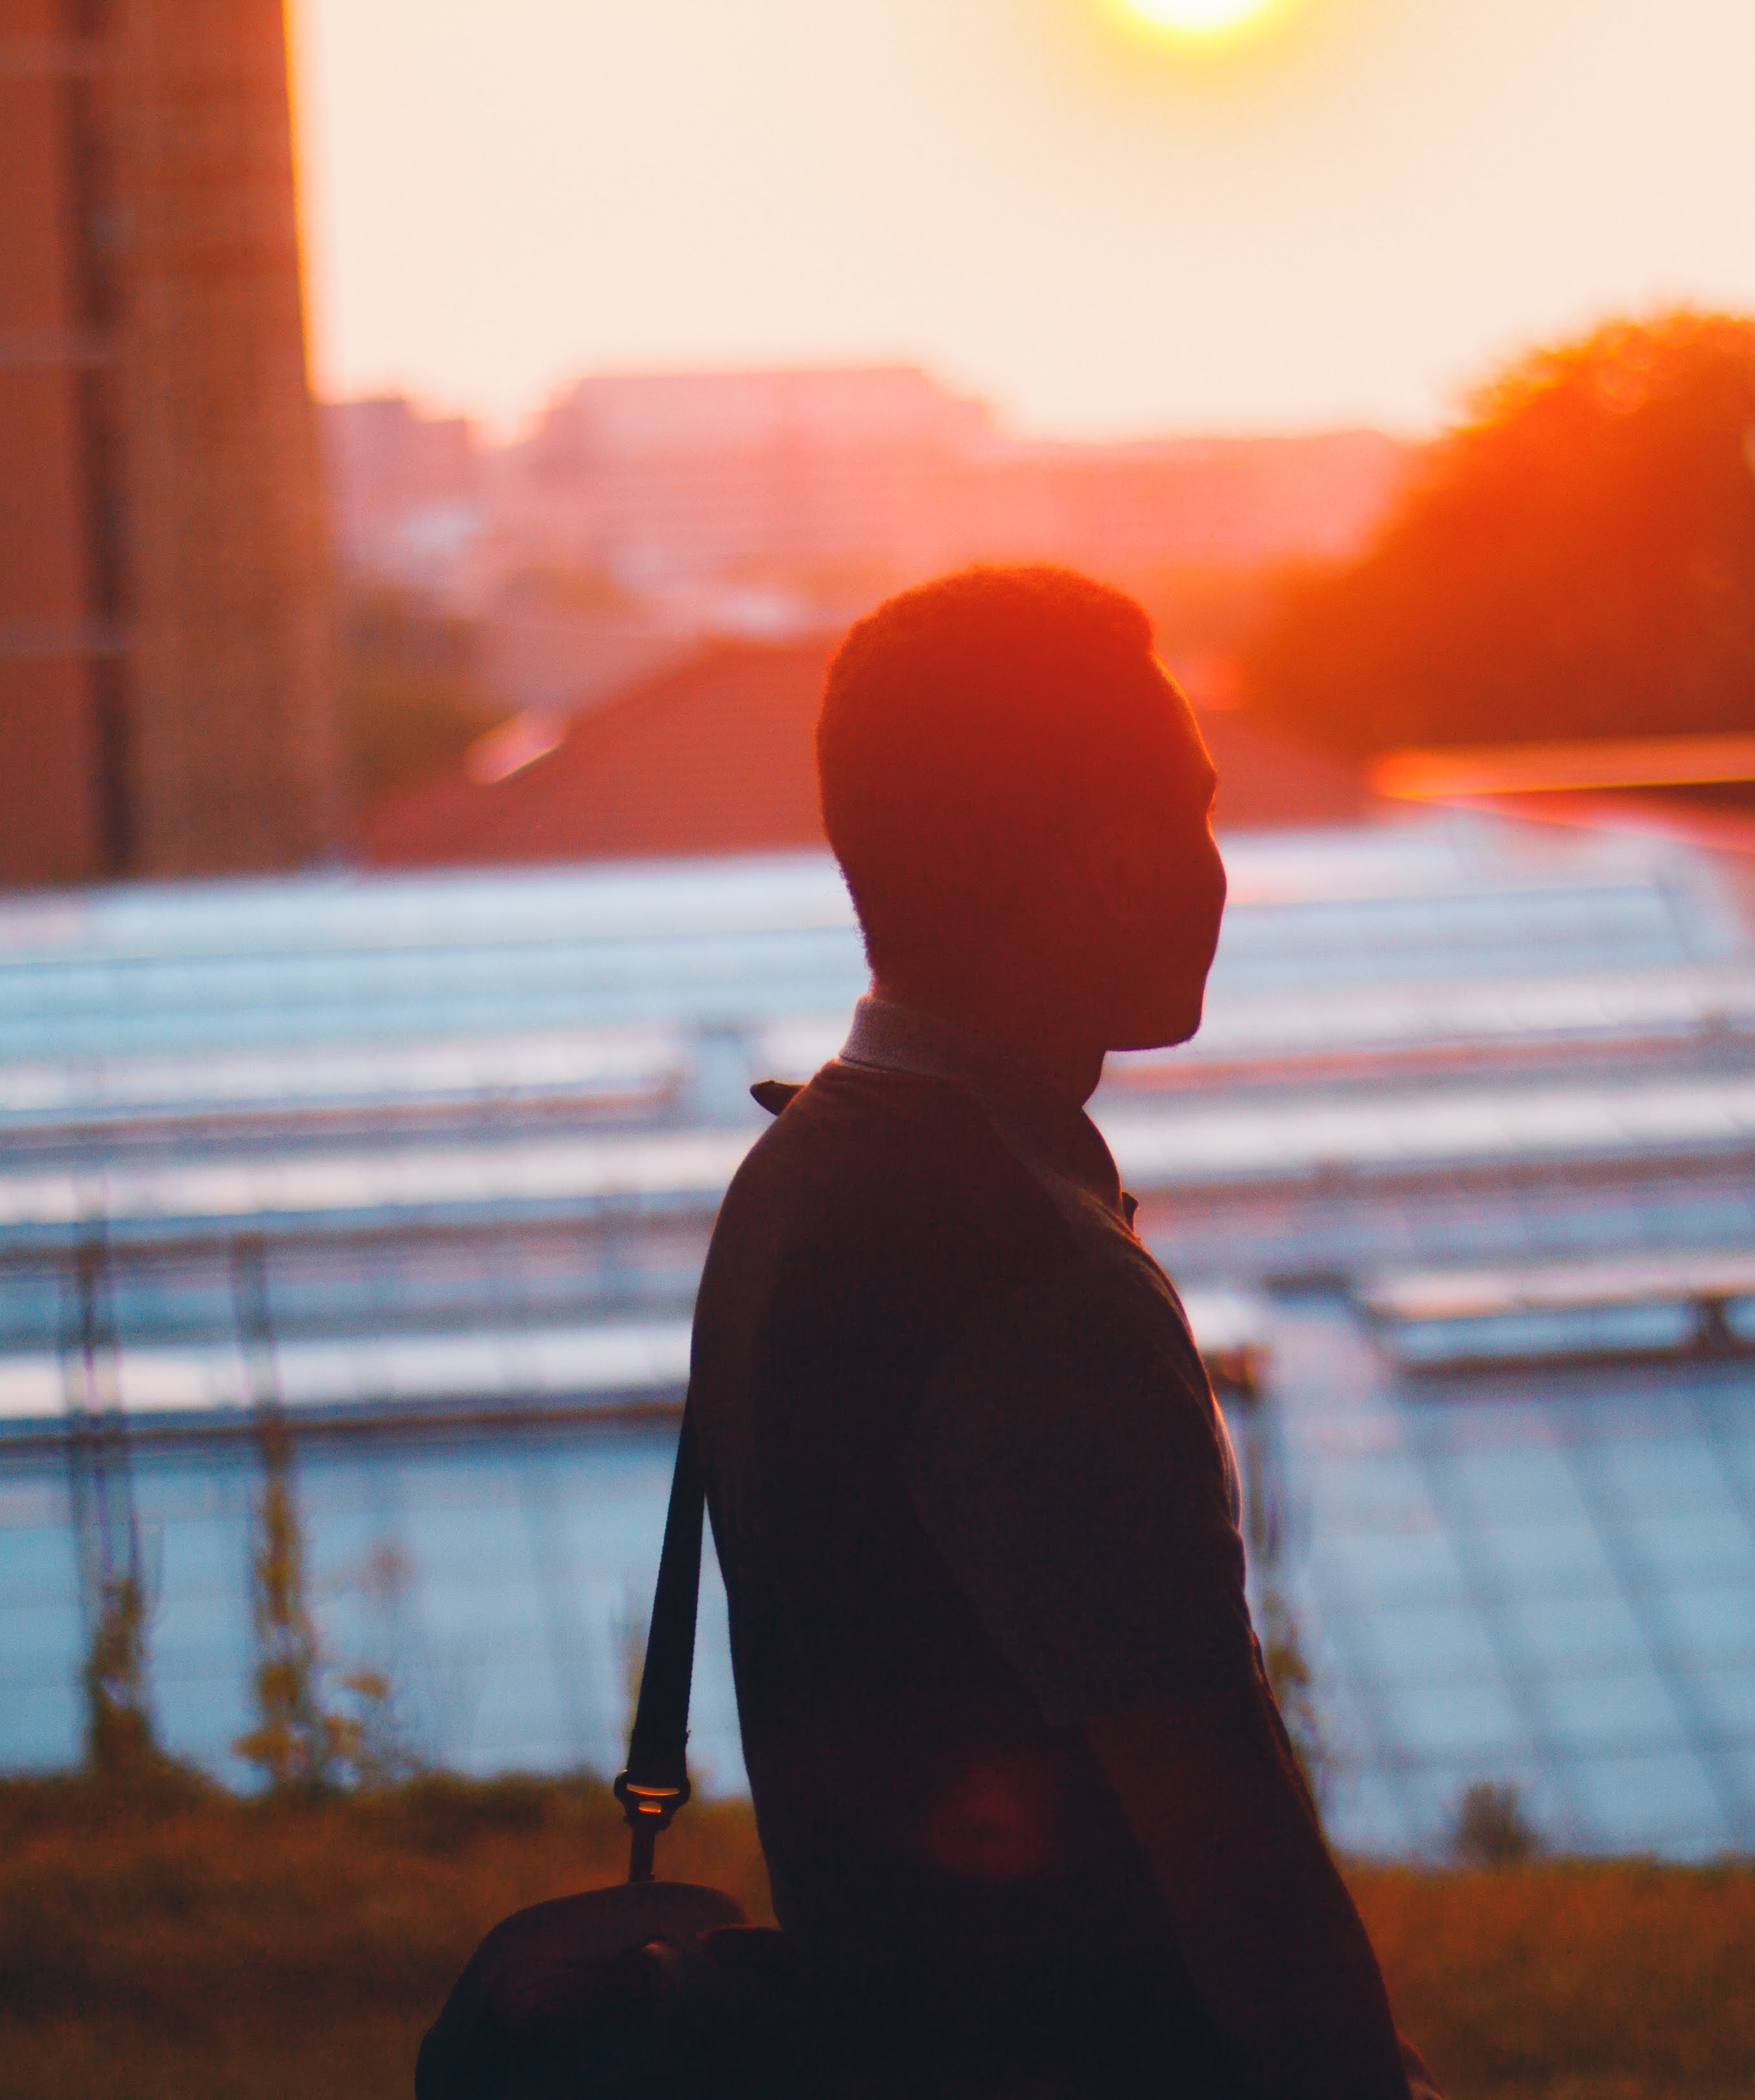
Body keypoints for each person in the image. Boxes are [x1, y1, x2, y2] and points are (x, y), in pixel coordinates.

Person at [688, 566, 1437, 2099]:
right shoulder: (1035, 1282)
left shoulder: (790, 1179)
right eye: (1198, 814)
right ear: (1110, 862)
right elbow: (1227, 1856)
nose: (1220, 872)